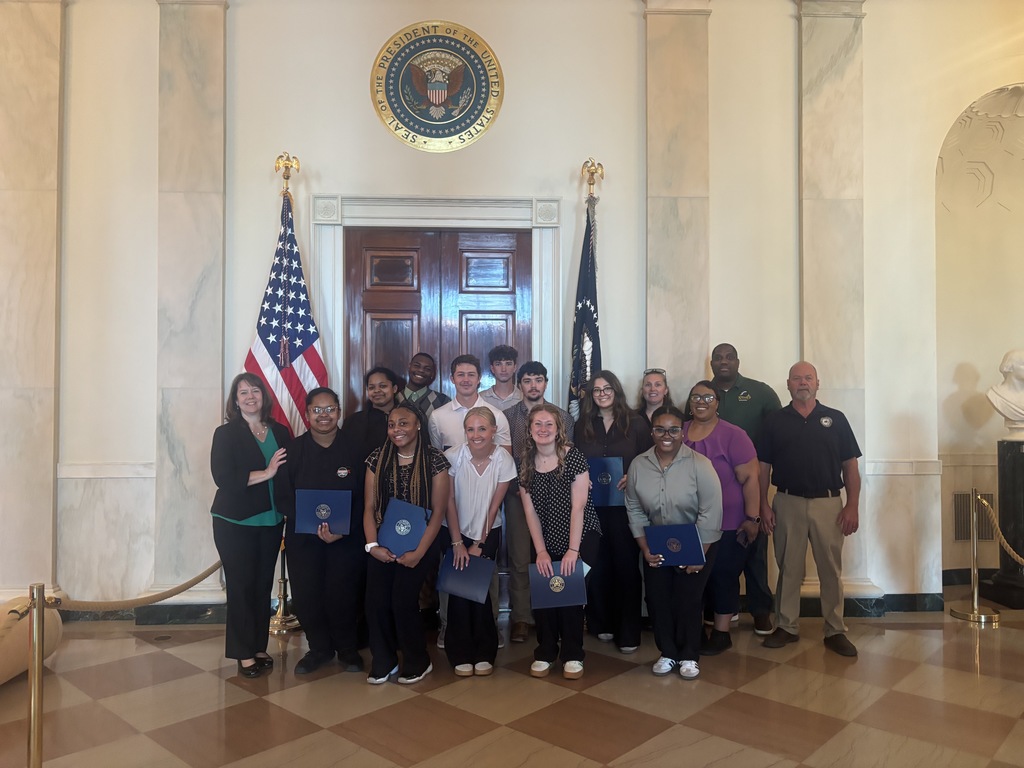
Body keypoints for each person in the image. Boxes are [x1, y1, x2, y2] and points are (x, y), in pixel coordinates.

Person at [759, 361, 862, 657]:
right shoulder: (774, 421)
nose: (802, 383)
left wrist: (852, 505)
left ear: (818, 383)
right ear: (788, 384)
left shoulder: (836, 419)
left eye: (808, 378)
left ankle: (835, 629)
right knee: (789, 568)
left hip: (828, 504)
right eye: (796, 378)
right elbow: (762, 468)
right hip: (786, 503)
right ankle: (786, 626)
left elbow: (850, 467)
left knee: (830, 569)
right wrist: (763, 505)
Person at [626, 405, 723, 680]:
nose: (666, 435)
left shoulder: (700, 464)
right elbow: (634, 507)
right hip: (657, 540)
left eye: (673, 430)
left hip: (696, 541)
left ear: (682, 432)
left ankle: (689, 655)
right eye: (660, 429)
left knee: (688, 599)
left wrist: (698, 553)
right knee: (658, 599)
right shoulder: (639, 464)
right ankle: (667, 652)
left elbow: (711, 510)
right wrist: (645, 548)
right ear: (652, 432)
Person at [278, 387, 366, 675]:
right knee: (308, 594)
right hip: (304, 538)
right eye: (317, 410)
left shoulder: (357, 448)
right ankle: (318, 649)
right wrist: (309, 523)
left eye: (330, 409)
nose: (324, 415)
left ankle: (348, 649)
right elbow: (283, 495)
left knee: (344, 594)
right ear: (307, 414)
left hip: (346, 538)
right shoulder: (292, 451)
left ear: (339, 412)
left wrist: (345, 528)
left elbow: (367, 495)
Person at [363, 403, 451, 684]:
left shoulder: (434, 459)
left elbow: (438, 512)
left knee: (402, 600)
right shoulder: (377, 458)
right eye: (392, 425)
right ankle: (384, 659)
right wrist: (372, 547)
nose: (396, 429)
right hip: (382, 542)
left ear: (418, 425)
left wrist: (418, 552)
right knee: (376, 602)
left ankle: (417, 660)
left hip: (421, 543)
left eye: (403, 423)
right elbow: (369, 507)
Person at [209, 373, 289, 678]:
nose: (250, 396)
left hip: (272, 520)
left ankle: (258, 647)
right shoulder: (225, 434)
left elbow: (290, 472)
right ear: (235, 399)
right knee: (241, 587)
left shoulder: (280, 431)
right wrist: (266, 473)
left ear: (263, 396)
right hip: (235, 522)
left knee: (261, 586)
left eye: (255, 390)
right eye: (243, 392)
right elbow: (224, 478)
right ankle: (243, 653)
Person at [520, 403, 601, 680]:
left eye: (549, 424)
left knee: (570, 596)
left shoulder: (573, 457)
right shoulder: (525, 462)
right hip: (545, 537)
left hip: (581, 536)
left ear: (558, 430)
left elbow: (578, 508)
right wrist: (541, 551)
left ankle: (573, 654)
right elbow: (529, 511)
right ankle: (545, 652)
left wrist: (572, 551)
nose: (543, 429)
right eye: (537, 424)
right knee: (545, 593)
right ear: (530, 429)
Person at [573, 371, 652, 653]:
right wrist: (582, 477)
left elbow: (650, 459)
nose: (602, 394)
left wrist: (633, 475)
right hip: (591, 506)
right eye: (596, 390)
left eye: (607, 389)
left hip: (626, 506)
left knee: (626, 565)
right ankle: (601, 622)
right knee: (597, 563)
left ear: (616, 391)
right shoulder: (582, 424)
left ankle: (628, 630)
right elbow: (574, 459)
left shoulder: (636, 423)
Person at [682, 381, 759, 656]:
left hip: (728, 521)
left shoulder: (733, 435)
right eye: (695, 397)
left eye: (707, 397)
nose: (701, 402)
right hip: (688, 522)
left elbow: (751, 478)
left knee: (723, 576)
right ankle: (695, 631)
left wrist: (753, 518)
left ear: (717, 402)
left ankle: (722, 633)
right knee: (692, 578)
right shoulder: (679, 431)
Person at [711, 342, 781, 635]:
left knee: (754, 549)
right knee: (717, 552)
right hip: (714, 488)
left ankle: (761, 610)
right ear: (712, 364)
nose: (724, 361)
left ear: (738, 362)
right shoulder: (703, 391)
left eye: (729, 357)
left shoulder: (760, 392)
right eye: (718, 358)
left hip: (752, 482)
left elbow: (779, 432)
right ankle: (720, 608)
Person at [502, 361, 573, 643]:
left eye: (539, 380)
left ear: (546, 383)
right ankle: (521, 617)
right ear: (519, 384)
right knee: (521, 557)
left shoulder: (563, 416)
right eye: (528, 380)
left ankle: (554, 612)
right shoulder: (507, 416)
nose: (533, 385)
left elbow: (568, 454)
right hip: (519, 495)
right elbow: (504, 458)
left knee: (554, 554)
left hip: (555, 496)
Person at [443, 407, 517, 676]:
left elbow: (494, 507)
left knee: (481, 590)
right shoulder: (452, 457)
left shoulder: (503, 459)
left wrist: (480, 544)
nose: (476, 435)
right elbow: (449, 501)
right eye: (471, 429)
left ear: (494, 431)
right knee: (458, 591)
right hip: (456, 531)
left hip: (487, 531)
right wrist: (457, 543)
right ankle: (460, 652)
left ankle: (485, 650)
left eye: (482, 429)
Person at [428, 354, 512, 452]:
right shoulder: (437, 417)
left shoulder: (497, 416)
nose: (466, 380)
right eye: (461, 375)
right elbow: (436, 456)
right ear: (452, 379)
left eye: (471, 375)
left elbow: (505, 457)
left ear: (479, 378)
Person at [340, 366, 402, 464]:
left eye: (383, 386)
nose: (377, 391)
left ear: (394, 388)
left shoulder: (408, 419)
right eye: (372, 387)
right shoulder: (353, 422)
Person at [397, 352, 451, 420]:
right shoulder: (394, 398)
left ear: (432, 373)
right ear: (409, 366)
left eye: (427, 369)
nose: (421, 370)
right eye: (416, 366)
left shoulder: (443, 401)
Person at [479, 344, 523, 411]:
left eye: (508, 364)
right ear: (492, 368)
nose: (503, 369)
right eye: (498, 364)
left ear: (515, 367)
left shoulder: (523, 398)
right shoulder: (481, 398)